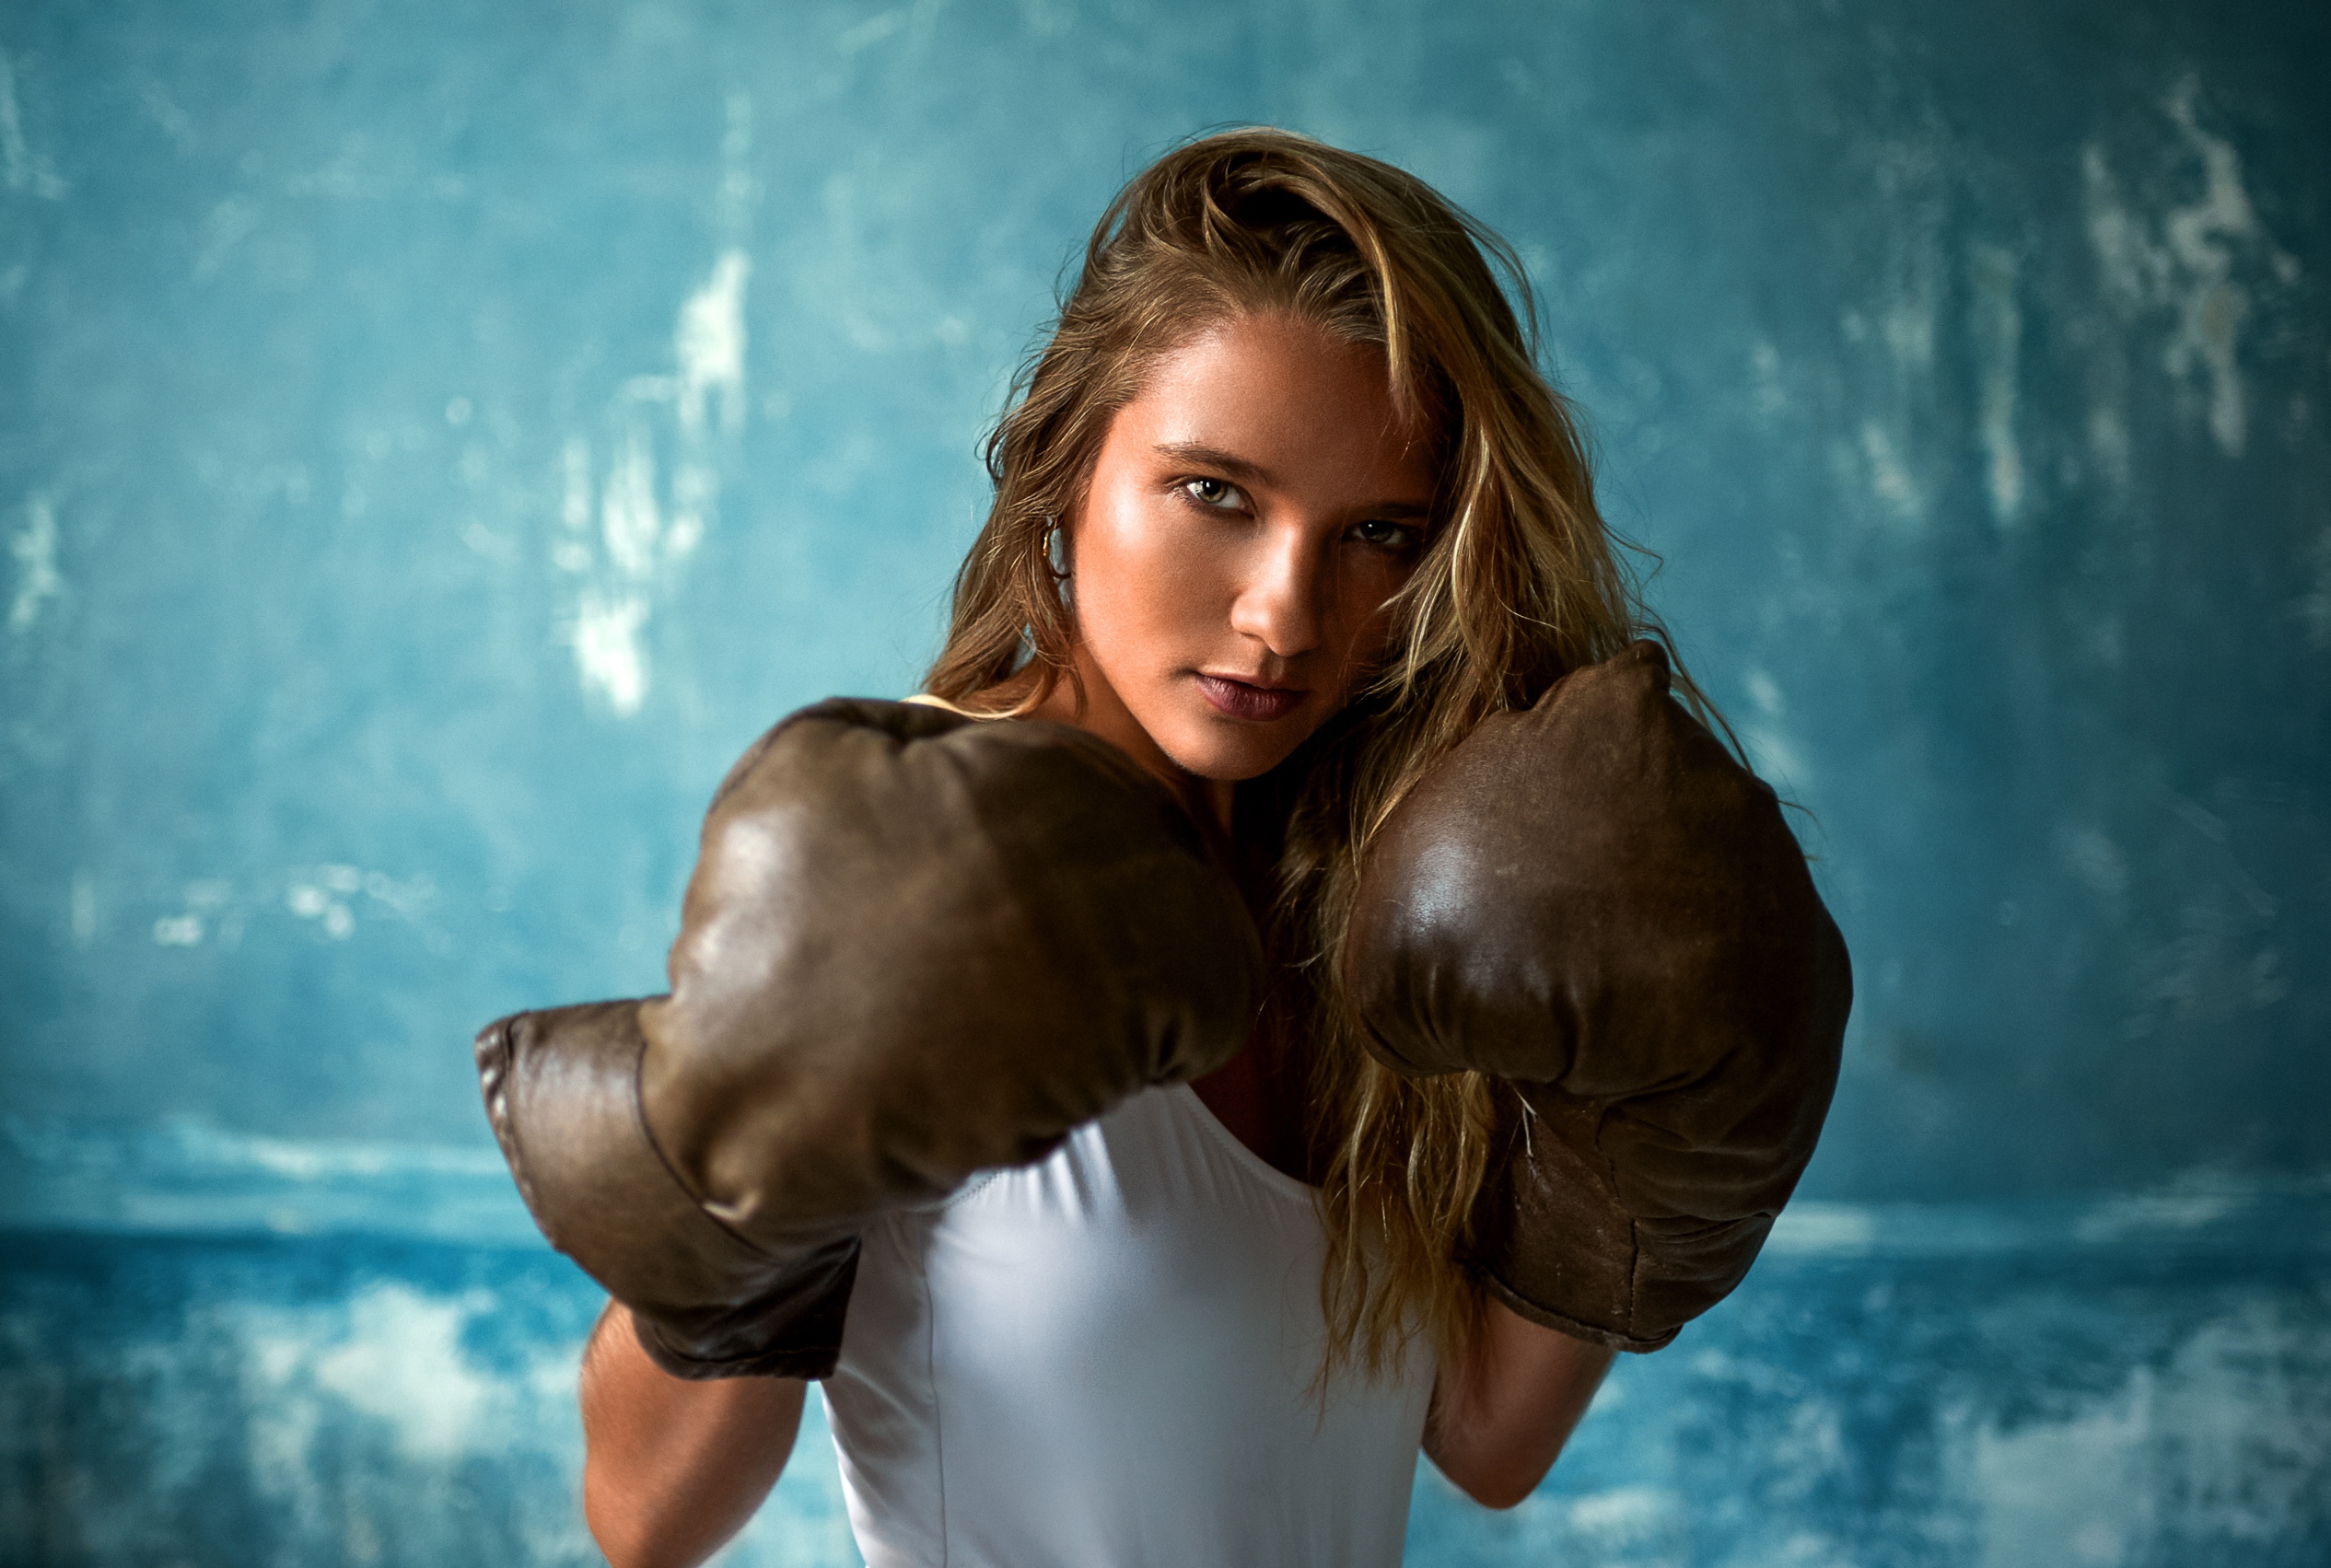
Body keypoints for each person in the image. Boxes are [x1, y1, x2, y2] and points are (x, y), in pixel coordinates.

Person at [476, 128, 1847, 1568]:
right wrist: (739, 1183)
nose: (1285, 611)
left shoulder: (1389, 894)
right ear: (1068, 466)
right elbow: (644, 1520)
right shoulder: (928, 869)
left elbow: (1488, 1440)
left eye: (1381, 533)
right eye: (1216, 493)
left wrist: (1649, 1150)